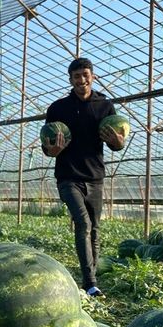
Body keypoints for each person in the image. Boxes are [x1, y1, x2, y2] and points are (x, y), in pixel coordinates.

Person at [42, 58, 124, 298]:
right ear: (70, 80)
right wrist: (52, 151)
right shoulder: (58, 108)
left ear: (92, 76)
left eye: (85, 75)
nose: (81, 80)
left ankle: (92, 278)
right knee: (84, 223)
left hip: (95, 176)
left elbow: (116, 143)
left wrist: (119, 143)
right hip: (68, 177)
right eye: (76, 76)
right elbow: (47, 147)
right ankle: (89, 282)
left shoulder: (105, 106)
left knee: (95, 228)